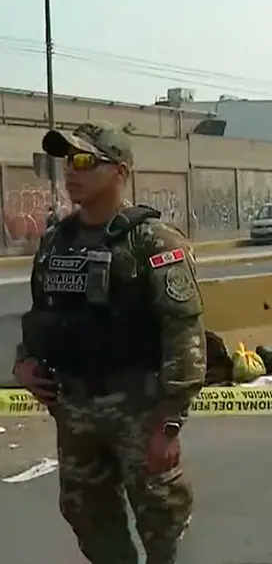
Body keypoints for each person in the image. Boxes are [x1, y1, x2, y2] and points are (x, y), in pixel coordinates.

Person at [11, 121, 207, 564]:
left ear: (120, 172)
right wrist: (24, 364)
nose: (71, 172)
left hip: (140, 410)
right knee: (88, 518)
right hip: (76, 411)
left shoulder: (153, 242)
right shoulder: (55, 243)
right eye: (67, 161)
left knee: (162, 521)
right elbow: (42, 316)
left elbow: (184, 334)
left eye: (85, 161)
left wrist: (169, 423)